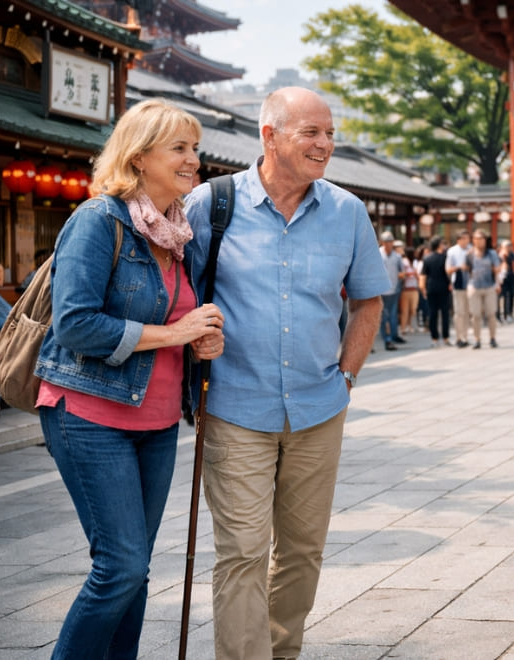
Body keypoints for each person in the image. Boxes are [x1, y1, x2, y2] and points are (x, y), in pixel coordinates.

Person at [183, 86, 389, 660]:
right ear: (269, 136)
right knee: (243, 550)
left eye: (329, 134)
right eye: (311, 133)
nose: (325, 144)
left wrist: (346, 377)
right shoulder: (209, 205)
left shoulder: (347, 210)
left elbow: (369, 300)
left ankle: (281, 651)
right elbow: (178, 293)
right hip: (233, 405)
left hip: (319, 406)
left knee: (302, 549)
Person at [35, 99, 224, 659]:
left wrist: (200, 342)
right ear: (139, 158)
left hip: (159, 420)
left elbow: (176, 322)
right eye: (180, 149)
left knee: (135, 570)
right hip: (89, 414)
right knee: (119, 567)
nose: (194, 160)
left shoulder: (178, 234)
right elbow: (74, 324)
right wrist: (175, 333)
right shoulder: (99, 220)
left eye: (195, 148)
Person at [466, 230, 501, 348]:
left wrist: (497, 281)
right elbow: (466, 269)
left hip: (489, 286)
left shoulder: (492, 253)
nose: (479, 241)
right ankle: (477, 339)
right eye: (476, 238)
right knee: (475, 314)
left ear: (485, 240)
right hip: (474, 286)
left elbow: (497, 268)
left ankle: (492, 338)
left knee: (491, 313)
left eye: (481, 238)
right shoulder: (469, 254)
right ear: (473, 240)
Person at [419, 236, 451, 347]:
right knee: (445, 313)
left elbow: (423, 275)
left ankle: (434, 338)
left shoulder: (427, 258)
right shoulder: (445, 257)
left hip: (431, 287)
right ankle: (446, 337)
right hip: (444, 287)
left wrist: (423, 288)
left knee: (433, 313)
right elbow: (448, 273)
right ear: (439, 245)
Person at [378, 231, 404, 350]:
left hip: (394, 289)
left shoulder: (397, 256)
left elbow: (402, 272)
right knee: (384, 316)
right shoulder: (377, 254)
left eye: (390, 241)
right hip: (381, 290)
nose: (389, 244)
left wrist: (401, 275)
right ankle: (387, 339)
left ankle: (394, 335)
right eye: (386, 241)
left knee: (393, 314)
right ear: (382, 242)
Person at [446, 230, 472, 347]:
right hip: (458, 283)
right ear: (459, 239)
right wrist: (458, 267)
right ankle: (458, 337)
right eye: (464, 238)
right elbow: (448, 269)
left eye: (468, 238)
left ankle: (465, 337)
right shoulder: (452, 251)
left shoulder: (472, 250)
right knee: (458, 312)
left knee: (467, 312)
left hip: (470, 283)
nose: (467, 240)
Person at [397, 241, 419, 335]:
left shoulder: (415, 262)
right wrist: (408, 274)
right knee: (405, 310)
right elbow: (401, 274)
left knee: (413, 309)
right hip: (405, 289)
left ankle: (409, 325)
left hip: (414, 288)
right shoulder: (403, 261)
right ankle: (403, 328)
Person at [498, 239, 514, 323]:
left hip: (511, 276)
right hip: (503, 278)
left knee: (511, 295)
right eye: (507, 246)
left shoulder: (512, 254)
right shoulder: (500, 255)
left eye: (509, 246)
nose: (509, 247)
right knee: (504, 296)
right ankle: (504, 314)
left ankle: (510, 313)